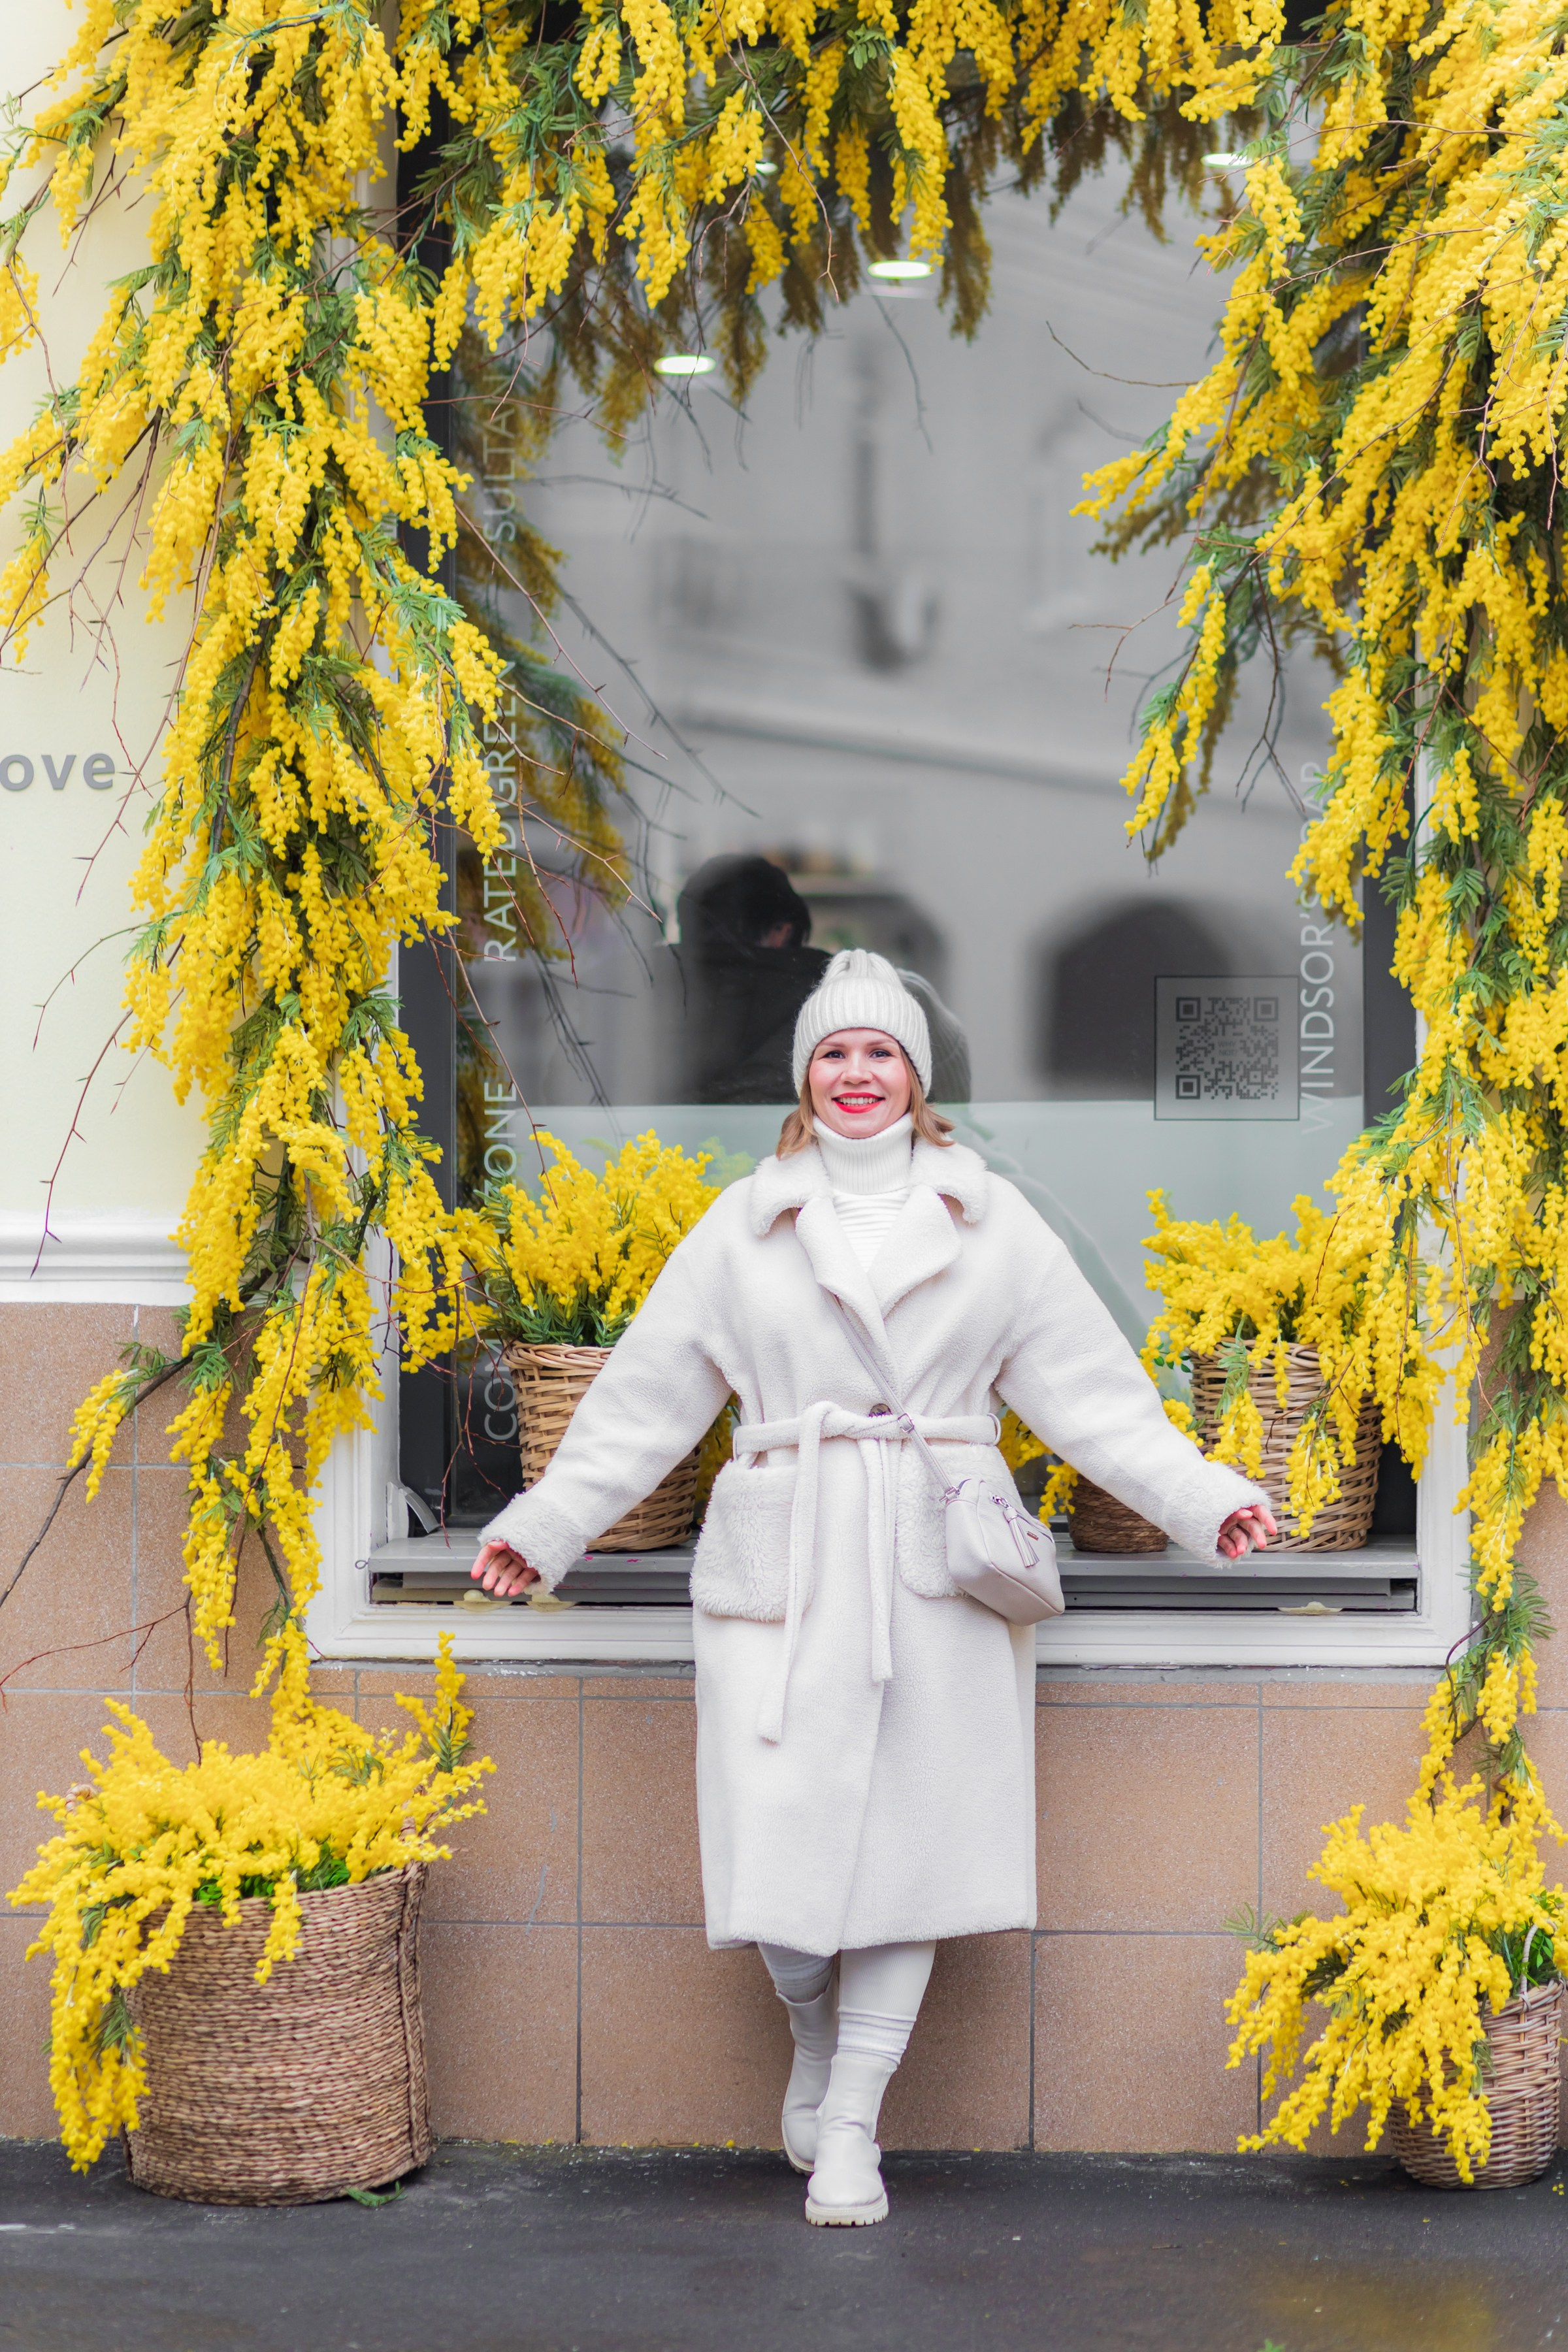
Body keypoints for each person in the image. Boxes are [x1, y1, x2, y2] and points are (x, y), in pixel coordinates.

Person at [472, 949, 1276, 2226]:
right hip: (785, 1566)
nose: (858, 1075)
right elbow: (643, 1404)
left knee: (913, 1851)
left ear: (918, 1074)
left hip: (933, 1562)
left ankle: (854, 2121)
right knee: (777, 1854)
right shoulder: (742, 1227)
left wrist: (1204, 1496)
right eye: (835, 1054)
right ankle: (809, 2025)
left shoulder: (991, 1221)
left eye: (881, 1053)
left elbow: (1093, 1395)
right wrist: (550, 1523)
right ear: (805, 1076)